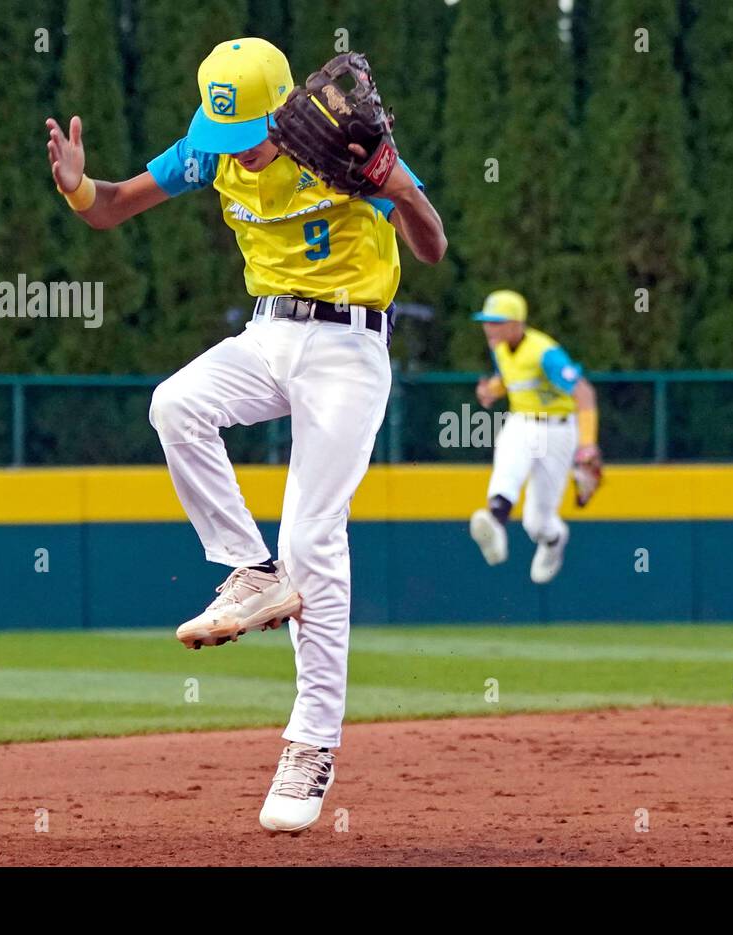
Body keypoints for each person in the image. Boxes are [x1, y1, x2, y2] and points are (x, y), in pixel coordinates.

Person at [45, 37, 445, 833]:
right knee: (175, 405)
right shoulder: (211, 147)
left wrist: (398, 186)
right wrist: (77, 185)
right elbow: (115, 205)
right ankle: (246, 567)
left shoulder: (345, 148)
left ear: (286, 109)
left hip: (348, 347)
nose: (237, 152)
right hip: (268, 335)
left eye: (248, 133)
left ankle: (311, 741)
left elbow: (431, 248)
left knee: (313, 537)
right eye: (222, 134)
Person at [468, 290, 600, 584]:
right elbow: (511, 379)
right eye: (486, 321)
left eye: (495, 321)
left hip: (559, 430)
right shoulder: (500, 348)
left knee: (537, 522)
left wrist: (588, 444)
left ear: (516, 323)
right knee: (507, 471)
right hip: (522, 423)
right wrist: (492, 390)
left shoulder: (544, 353)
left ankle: (553, 540)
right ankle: (495, 523)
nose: (488, 327)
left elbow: (584, 393)